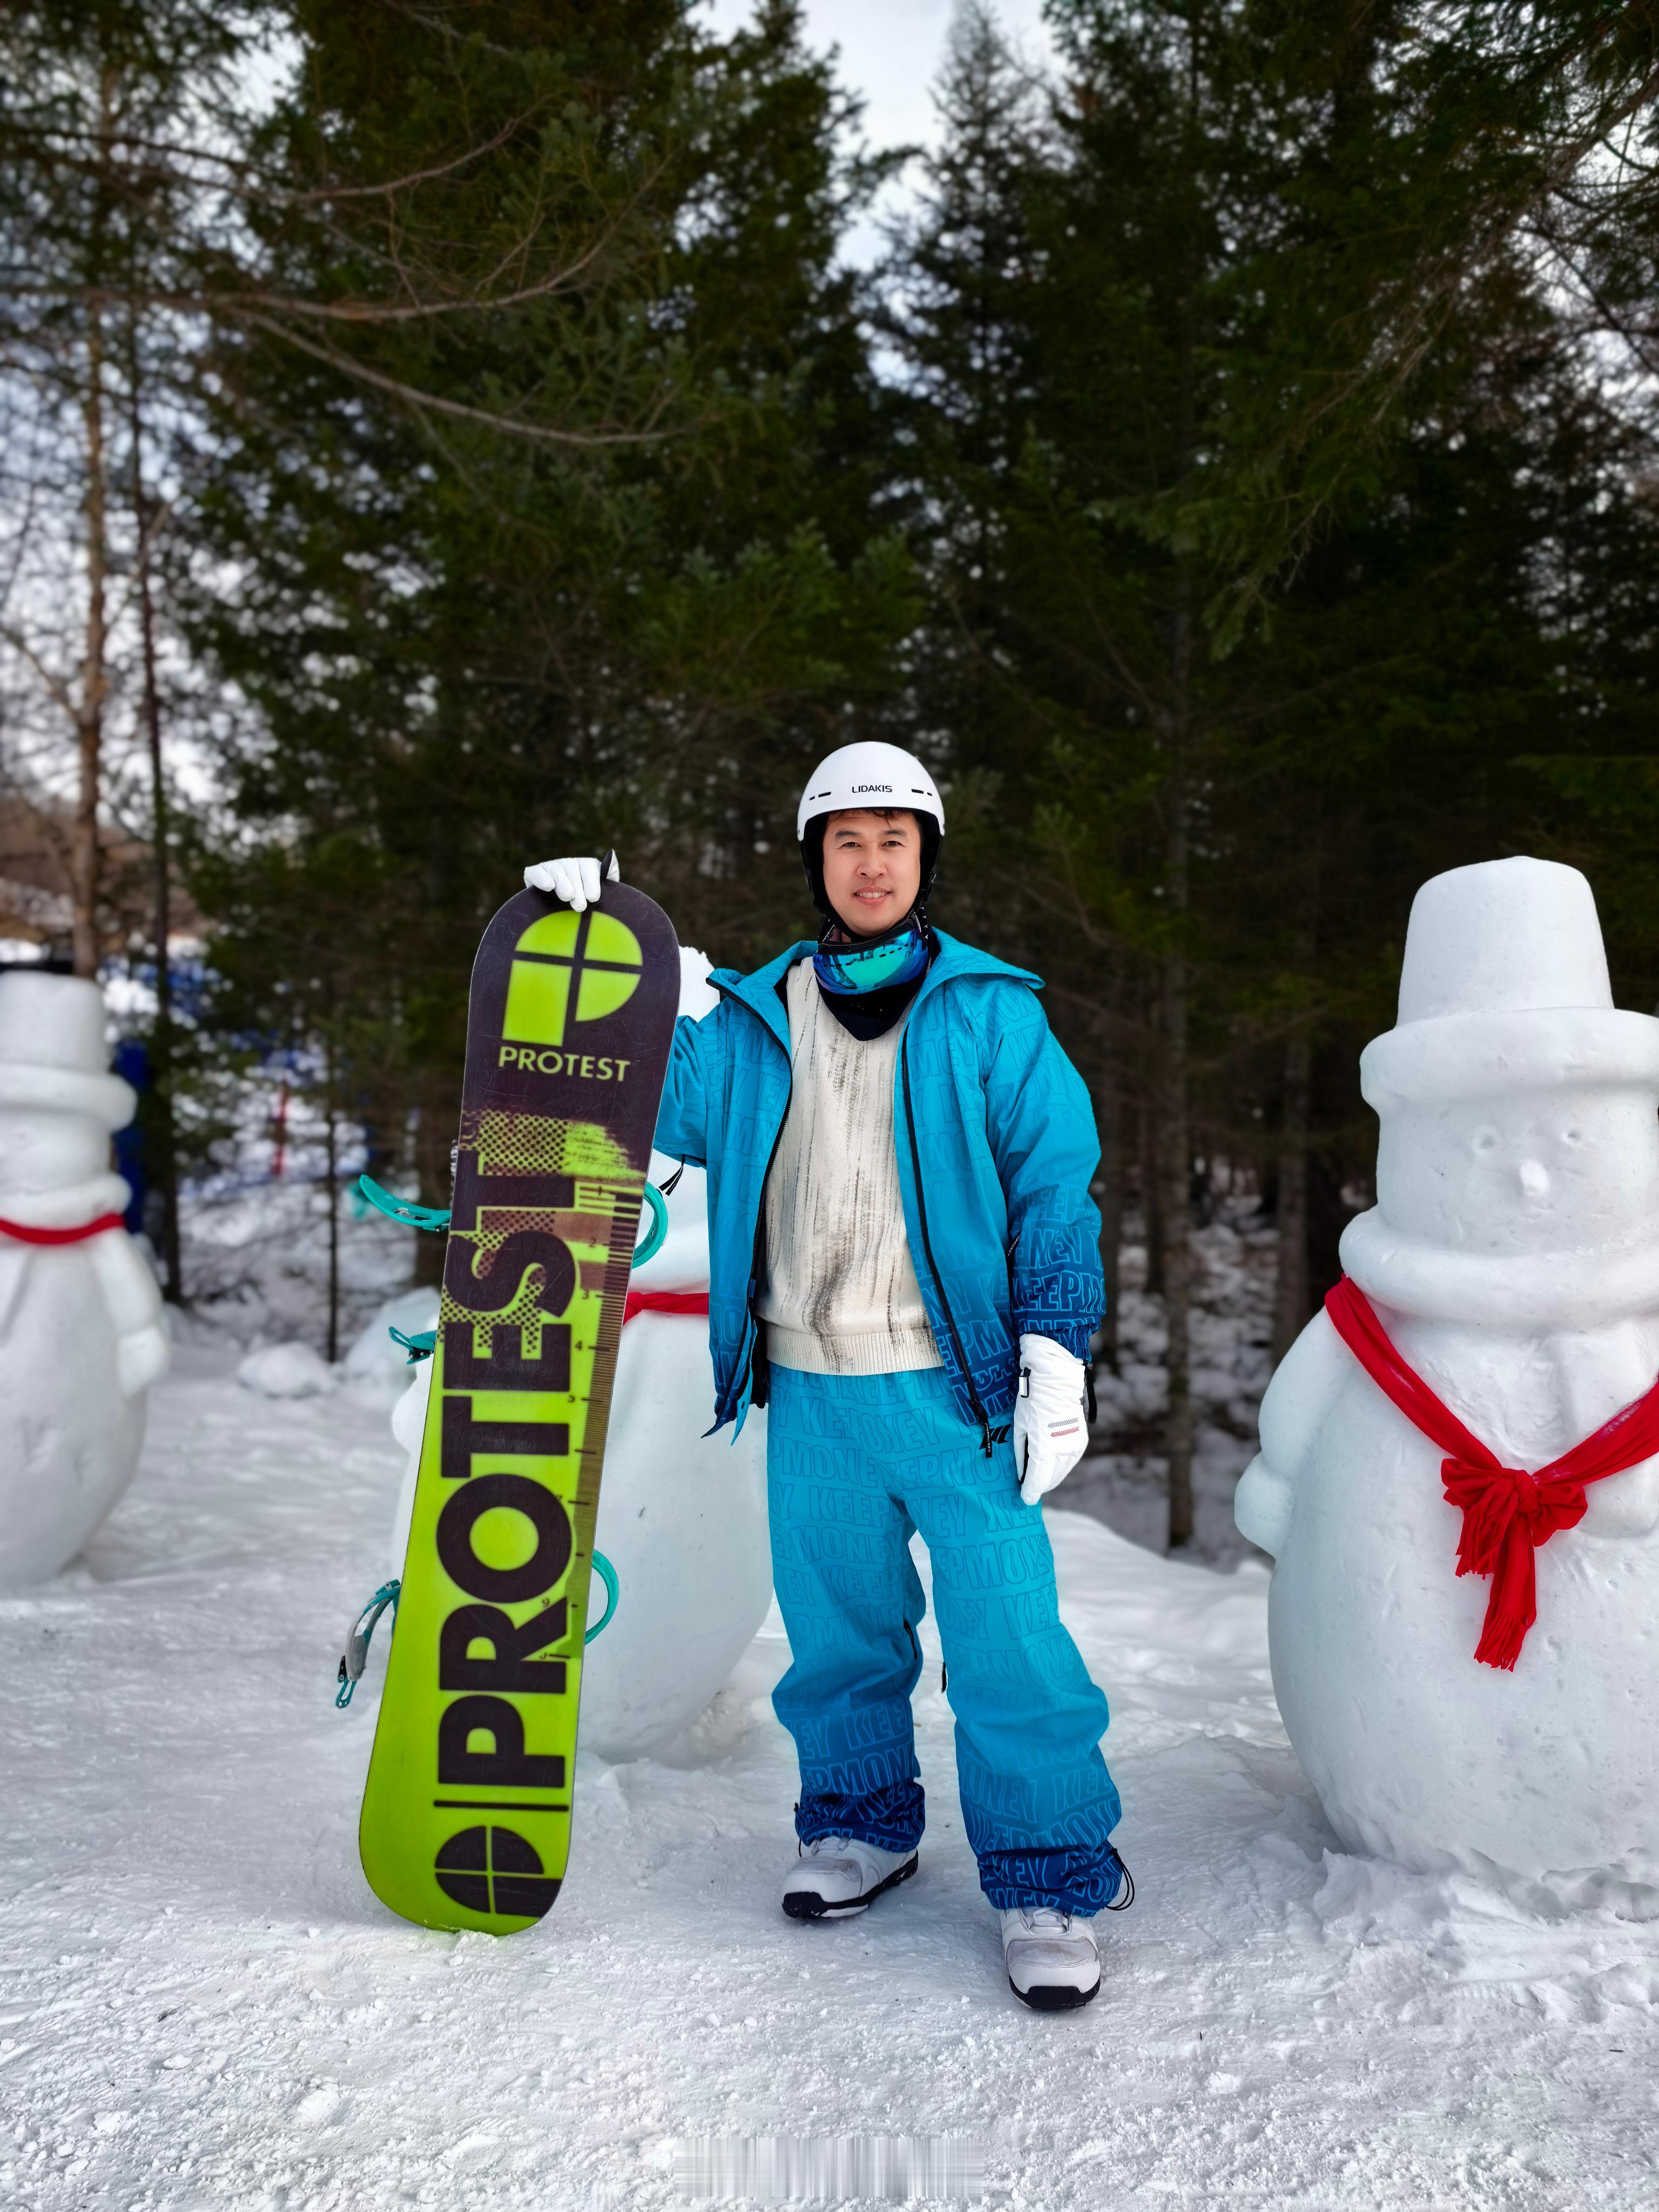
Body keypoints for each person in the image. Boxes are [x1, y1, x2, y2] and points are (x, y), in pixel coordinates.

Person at [525, 741, 1128, 2009]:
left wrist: (1058, 1349)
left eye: (893, 841)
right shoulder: (752, 1017)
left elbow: (1052, 1185)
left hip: (957, 1390)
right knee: (840, 1636)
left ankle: (1051, 1874)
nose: (870, 862)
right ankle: (863, 1825)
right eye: (847, 840)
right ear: (817, 859)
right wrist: (588, 949)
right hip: (807, 1386)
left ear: (925, 860)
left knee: (1008, 1640)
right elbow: (640, 1098)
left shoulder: (989, 1011)